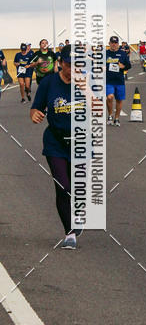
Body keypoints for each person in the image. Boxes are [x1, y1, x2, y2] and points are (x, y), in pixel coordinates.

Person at [30, 45, 82, 249]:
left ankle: (78, 213)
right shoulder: (49, 83)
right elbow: (36, 106)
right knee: (63, 187)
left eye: (77, 65)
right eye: (69, 65)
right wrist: (34, 114)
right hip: (56, 142)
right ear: (61, 63)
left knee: (78, 188)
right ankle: (69, 233)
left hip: (80, 142)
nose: (72, 69)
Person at [106, 36, 131, 126]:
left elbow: (129, 65)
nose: (114, 44)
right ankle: (110, 115)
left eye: (115, 43)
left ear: (118, 44)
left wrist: (123, 67)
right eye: (112, 43)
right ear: (109, 43)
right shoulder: (105, 53)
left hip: (119, 81)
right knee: (109, 97)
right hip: (108, 81)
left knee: (119, 100)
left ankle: (116, 118)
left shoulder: (122, 54)